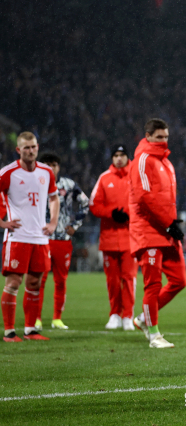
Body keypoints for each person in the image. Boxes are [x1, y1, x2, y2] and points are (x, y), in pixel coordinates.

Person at [129, 119, 186, 349]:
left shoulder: (166, 163)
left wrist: (172, 224)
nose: (163, 141)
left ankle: (143, 318)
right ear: (148, 136)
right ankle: (154, 335)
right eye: (159, 137)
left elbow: (165, 200)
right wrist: (168, 223)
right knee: (152, 284)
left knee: (179, 280)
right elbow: (145, 198)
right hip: (148, 231)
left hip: (166, 230)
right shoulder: (142, 159)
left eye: (166, 137)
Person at [0, 132, 60, 342]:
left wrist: (53, 222)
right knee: (14, 282)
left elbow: (54, 198)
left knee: (34, 283)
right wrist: (2, 222)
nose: (31, 151)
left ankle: (30, 330)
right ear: (18, 150)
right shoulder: (8, 172)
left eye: (33, 147)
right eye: (26, 148)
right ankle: (8, 331)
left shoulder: (46, 171)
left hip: (40, 237)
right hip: (17, 237)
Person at [35, 152, 89, 331]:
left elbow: (85, 203)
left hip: (62, 239)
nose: (50, 167)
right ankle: (36, 318)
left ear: (58, 167)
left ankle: (57, 318)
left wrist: (76, 225)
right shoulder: (33, 182)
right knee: (38, 279)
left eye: (54, 164)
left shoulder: (68, 185)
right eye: (47, 164)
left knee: (61, 280)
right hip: (40, 238)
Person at [90, 144, 137, 331]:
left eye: (122, 155)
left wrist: (129, 215)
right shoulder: (104, 178)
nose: (119, 158)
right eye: (116, 155)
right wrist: (112, 214)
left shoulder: (136, 177)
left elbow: (144, 203)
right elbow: (94, 205)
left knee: (129, 278)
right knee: (113, 280)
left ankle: (128, 315)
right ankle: (115, 314)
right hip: (109, 239)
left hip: (130, 239)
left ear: (128, 157)